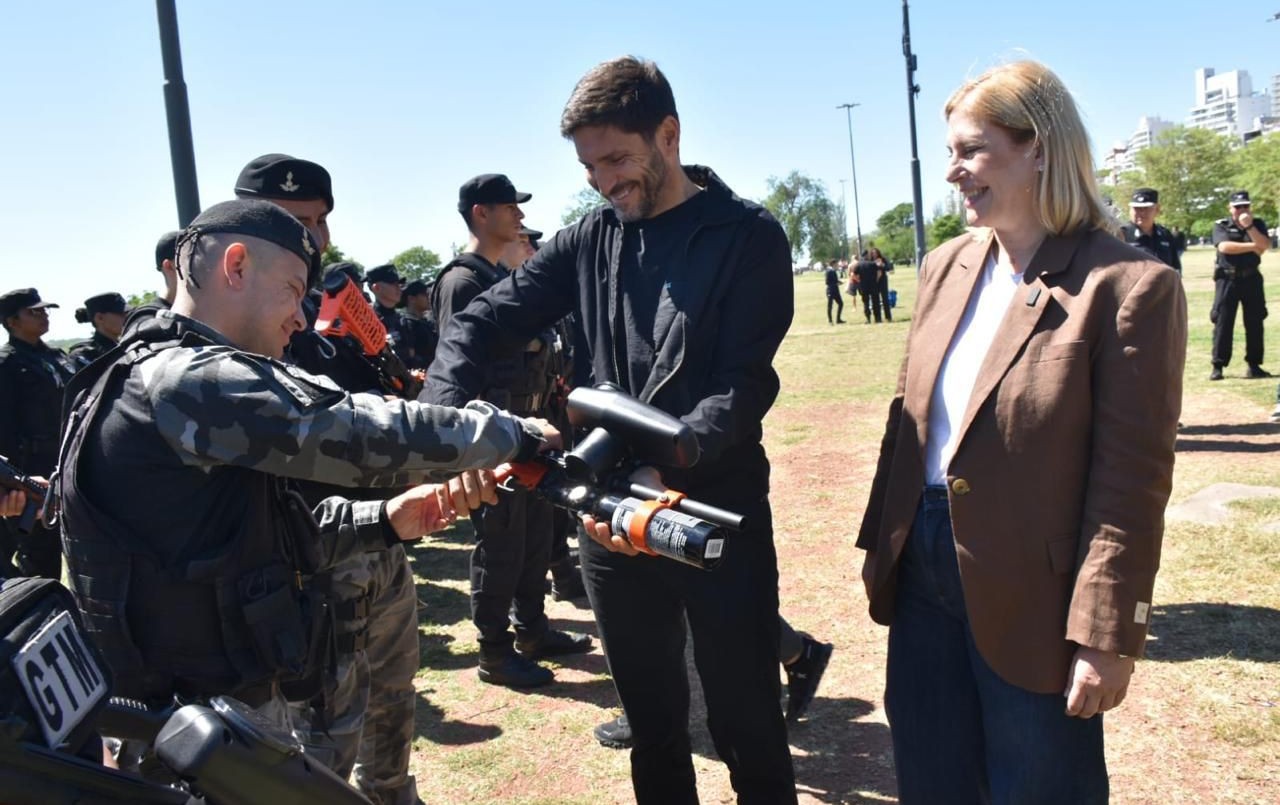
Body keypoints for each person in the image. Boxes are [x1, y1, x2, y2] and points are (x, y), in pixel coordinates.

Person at [55, 199, 555, 776]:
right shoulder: (185, 380)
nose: (301, 317)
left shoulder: (156, 372)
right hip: (189, 729)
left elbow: (237, 542)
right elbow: (356, 430)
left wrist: (386, 520)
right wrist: (510, 434)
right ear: (236, 266)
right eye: (294, 290)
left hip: (210, 713)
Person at [424, 56, 797, 803]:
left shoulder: (747, 237)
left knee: (745, 721)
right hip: (605, 522)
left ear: (669, 134)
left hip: (709, 512)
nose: (603, 180)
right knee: (654, 727)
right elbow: (477, 322)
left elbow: (743, 383)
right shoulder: (587, 240)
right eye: (589, 166)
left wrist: (669, 464)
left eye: (618, 160)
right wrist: (445, 421)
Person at [856, 61, 1186, 804]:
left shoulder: (1129, 285)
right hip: (924, 574)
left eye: (971, 150)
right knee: (934, 783)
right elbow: (909, 423)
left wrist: (1107, 633)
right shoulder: (944, 266)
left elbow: (1130, 484)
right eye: (949, 152)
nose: (953, 171)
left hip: (1039, 594)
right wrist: (885, 544)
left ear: (1038, 147)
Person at [233, 154, 424, 805]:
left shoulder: (332, 318)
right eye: (293, 221)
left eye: (317, 222)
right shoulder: (231, 330)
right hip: (307, 559)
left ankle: (394, 793)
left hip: (379, 535)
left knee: (394, 692)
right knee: (322, 733)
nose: (311, 238)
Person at [430, 174, 592, 689]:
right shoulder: (463, 282)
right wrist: (470, 449)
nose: (520, 217)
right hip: (492, 440)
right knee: (500, 547)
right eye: (509, 207)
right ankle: (495, 653)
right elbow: (458, 367)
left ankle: (533, 630)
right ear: (481, 213)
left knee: (534, 541)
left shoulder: (502, 275)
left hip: (530, 434)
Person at [0, 287, 76, 579]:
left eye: (45, 310)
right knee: (41, 553)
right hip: (30, 469)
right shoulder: (7, 364)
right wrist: (14, 480)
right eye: (34, 311)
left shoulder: (56, 356)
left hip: (67, 462)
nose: (43, 315)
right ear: (12, 321)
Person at [1209, 190, 1271, 380]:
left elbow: (1266, 244)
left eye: (1246, 206)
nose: (1242, 210)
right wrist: (1253, 246)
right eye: (1238, 207)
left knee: (1255, 322)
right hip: (1227, 279)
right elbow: (1224, 247)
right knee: (1223, 322)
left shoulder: (1257, 224)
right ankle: (1218, 366)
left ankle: (1254, 365)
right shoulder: (1221, 225)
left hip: (1251, 278)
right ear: (1230, 208)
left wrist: (1250, 227)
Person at [1121, 188, 1182, 272]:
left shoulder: (1165, 235)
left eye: (1146, 208)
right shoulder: (1120, 234)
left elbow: (1175, 267)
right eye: (1136, 208)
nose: (1141, 213)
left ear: (1157, 209)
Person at [69, 292, 130, 368]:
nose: (127, 317)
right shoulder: (84, 355)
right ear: (99, 318)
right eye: (121, 314)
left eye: (127, 313)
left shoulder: (126, 345)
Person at [853, 252, 883, 323]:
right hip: (873, 285)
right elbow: (879, 272)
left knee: (866, 303)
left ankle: (868, 318)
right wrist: (876, 280)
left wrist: (859, 280)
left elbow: (854, 274)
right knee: (875, 302)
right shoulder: (872, 264)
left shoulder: (859, 264)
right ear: (867, 256)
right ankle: (877, 318)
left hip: (863, 286)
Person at [868, 247, 894, 322]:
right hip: (874, 282)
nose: (874, 254)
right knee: (875, 300)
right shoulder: (870, 261)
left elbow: (888, 268)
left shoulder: (883, 259)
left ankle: (888, 317)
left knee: (885, 299)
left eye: (876, 253)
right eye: (873, 253)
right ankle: (878, 318)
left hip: (883, 281)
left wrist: (882, 265)